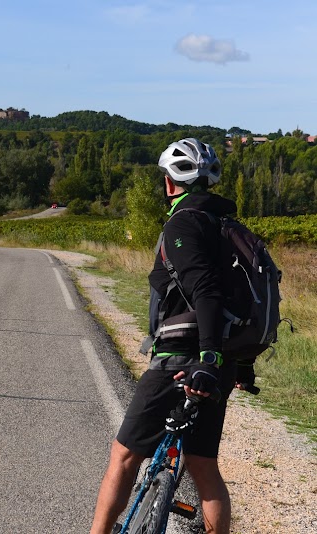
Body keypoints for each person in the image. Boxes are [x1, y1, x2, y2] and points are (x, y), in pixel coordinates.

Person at [89, 138, 257, 534]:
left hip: (186, 357)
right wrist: (237, 363)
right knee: (203, 466)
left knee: (125, 455)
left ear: (169, 184)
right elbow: (245, 299)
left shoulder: (182, 223)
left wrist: (208, 359)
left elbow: (207, 292)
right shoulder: (228, 227)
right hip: (220, 359)